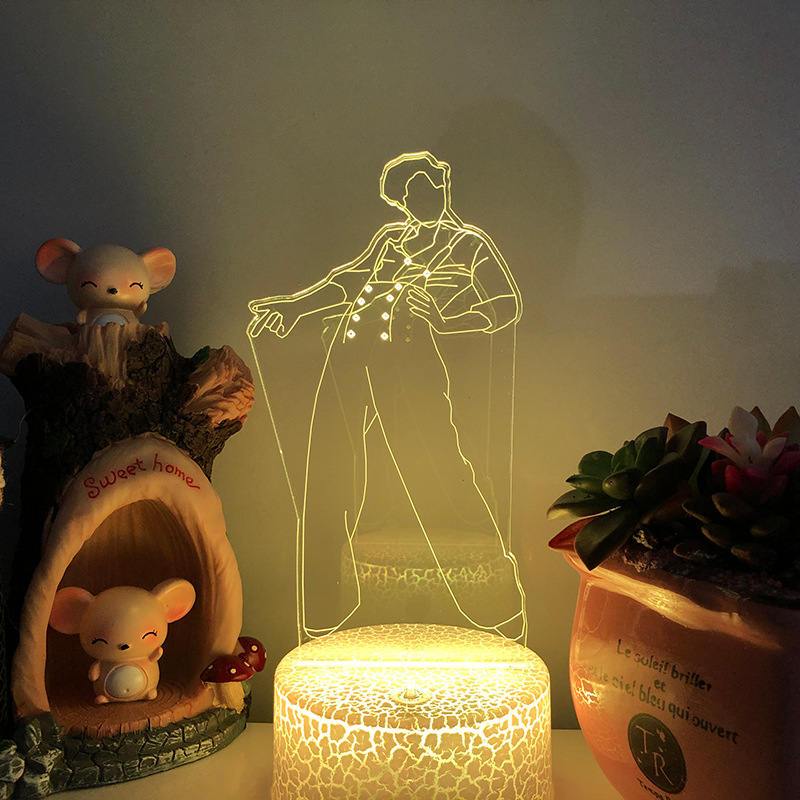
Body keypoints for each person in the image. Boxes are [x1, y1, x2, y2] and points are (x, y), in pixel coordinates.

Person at [248, 152, 527, 642]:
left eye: (427, 187)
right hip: (348, 353)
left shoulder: (468, 244)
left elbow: (505, 304)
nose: (420, 200)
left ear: (442, 184)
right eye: (409, 194)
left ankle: (495, 604)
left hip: (411, 359)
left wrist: (448, 322)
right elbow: (347, 282)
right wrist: (294, 306)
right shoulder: (390, 240)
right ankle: (325, 609)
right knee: (329, 468)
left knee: (438, 461)